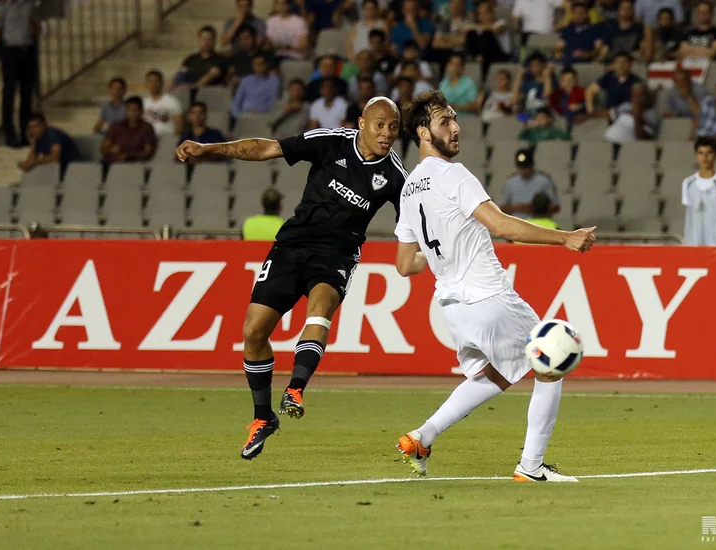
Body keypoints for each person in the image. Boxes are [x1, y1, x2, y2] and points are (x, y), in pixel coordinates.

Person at [175, 97, 408, 460]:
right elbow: (267, 147)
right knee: (253, 332)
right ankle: (263, 417)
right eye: (380, 124)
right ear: (362, 122)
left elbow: (411, 224)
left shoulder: (395, 175)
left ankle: (296, 389)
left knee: (321, 307)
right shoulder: (330, 140)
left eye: (393, 127)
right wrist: (210, 148)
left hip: (338, 254)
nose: (386, 133)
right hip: (294, 244)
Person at [394, 90, 595, 482]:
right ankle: (531, 467)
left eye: (454, 118)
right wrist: (565, 237)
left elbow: (405, 264)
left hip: (454, 307)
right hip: (488, 296)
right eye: (444, 122)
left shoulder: (409, 187)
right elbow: (502, 225)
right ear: (422, 132)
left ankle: (423, 436)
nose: (455, 127)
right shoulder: (454, 174)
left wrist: (442, 254)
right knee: (552, 362)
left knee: (497, 375)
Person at [0, 0, 40, 148]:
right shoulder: (3, 7)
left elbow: (36, 28)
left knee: (26, 93)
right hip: (10, 51)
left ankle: (26, 132)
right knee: (9, 94)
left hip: (27, 51)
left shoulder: (29, 6)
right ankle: (9, 134)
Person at [500, 148, 560, 218]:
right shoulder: (510, 183)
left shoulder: (544, 181)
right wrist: (516, 208)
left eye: (526, 167)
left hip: (538, 224)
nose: (523, 170)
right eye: (521, 167)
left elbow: (556, 207)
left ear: (532, 165)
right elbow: (501, 208)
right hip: (517, 224)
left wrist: (535, 208)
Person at [102, 96, 157, 163]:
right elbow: (104, 148)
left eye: (135, 110)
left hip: (134, 163)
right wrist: (111, 150)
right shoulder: (116, 126)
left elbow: (148, 152)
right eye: (129, 110)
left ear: (141, 111)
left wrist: (128, 156)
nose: (132, 113)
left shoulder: (147, 128)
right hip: (112, 162)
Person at [231, 54, 282, 119]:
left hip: (263, 116)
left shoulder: (273, 80)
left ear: (266, 65)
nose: (259, 67)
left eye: (261, 64)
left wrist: (258, 111)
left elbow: (273, 102)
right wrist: (239, 116)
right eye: (256, 65)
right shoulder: (246, 80)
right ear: (252, 66)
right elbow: (237, 101)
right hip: (244, 115)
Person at [143, 70, 184, 136]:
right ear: (146, 84)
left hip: (167, 138)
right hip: (148, 140)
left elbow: (179, 124)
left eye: (156, 81)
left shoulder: (172, 101)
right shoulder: (143, 102)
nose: (153, 85)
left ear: (162, 83)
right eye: (150, 82)